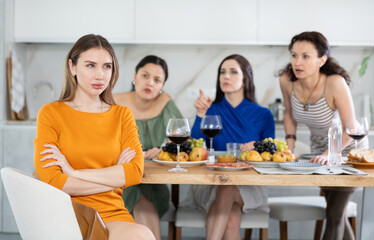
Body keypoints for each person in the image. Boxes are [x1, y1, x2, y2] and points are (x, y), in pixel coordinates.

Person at [34, 34, 155, 240]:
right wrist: (116, 179)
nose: (100, 75)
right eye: (90, 65)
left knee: (143, 235)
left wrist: (74, 172)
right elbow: (54, 181)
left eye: (107, 66)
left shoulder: (122, 115)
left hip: (113, 214)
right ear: (72, 67)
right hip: (68, 213)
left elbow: (134, 172)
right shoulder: (51, 113)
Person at [278, 31, 368, 240]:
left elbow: (351, 127)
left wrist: (331, 152)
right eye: (294, 55)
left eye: (305, 56)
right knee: (337, 213)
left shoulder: (335, 83)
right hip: (319, 150)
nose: (297, 62)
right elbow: (290, 114)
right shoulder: (286, 80)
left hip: (348, 149)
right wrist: (289, 146)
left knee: (335, 213)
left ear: (322, 60)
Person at [184, 54, 274, 240]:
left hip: (250, 186)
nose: (226, 76)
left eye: (233, 72)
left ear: (245, 79)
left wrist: (255, 148)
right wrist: (200, 114)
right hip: (211, 183)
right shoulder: (211, 110)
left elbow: (270, 154)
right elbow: (195, 149)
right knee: (231, 217)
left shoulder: (263, 115)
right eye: (222, 72)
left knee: (227, 188)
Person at [114, 55, 183, 240]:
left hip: (152, 183)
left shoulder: (165, 103)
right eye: (145, 75)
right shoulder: (113, 101)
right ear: (134, 77)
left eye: (157, 80)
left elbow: (182, 141)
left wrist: (164, 149)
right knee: (134, 193)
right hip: (117, 181)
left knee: (142, 196)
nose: (150, 82)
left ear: (162, 86)